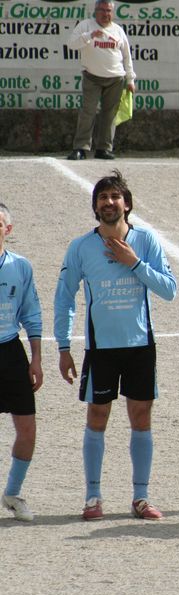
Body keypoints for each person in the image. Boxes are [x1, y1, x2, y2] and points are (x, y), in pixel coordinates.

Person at [54, 170, 177, 520]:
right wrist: (63, 346)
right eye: (103, 198)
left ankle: (141, 497)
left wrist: (134, 262)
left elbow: (169, 290)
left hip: (140, 346)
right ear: (95, 207)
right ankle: (93, 497)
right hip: (101, 350)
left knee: (141, 417)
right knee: (97, 416)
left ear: (127, 204)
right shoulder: (81, 247)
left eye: (115, 197)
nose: (109, 202)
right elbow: (64, 297)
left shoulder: (146, 241)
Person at [0, 204, 43, 522]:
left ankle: (13, 494)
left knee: (27, 429)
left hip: (11, 352)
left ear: (8, 229)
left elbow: (31, 313)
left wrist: (36, 358)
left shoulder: (21, 266)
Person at [66, 0, 136, 161]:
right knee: (88, 112)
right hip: (92, 77)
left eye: (109, 11)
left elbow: (127, 56)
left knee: (110, 115)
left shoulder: (118, 30)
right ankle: (80, 148)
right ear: (95, 10)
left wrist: (130, 79)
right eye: (102, 10)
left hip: (115, 78)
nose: (105, 14)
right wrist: (89, 36)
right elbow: (71, 44)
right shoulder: (85, 25)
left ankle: (104, 149)